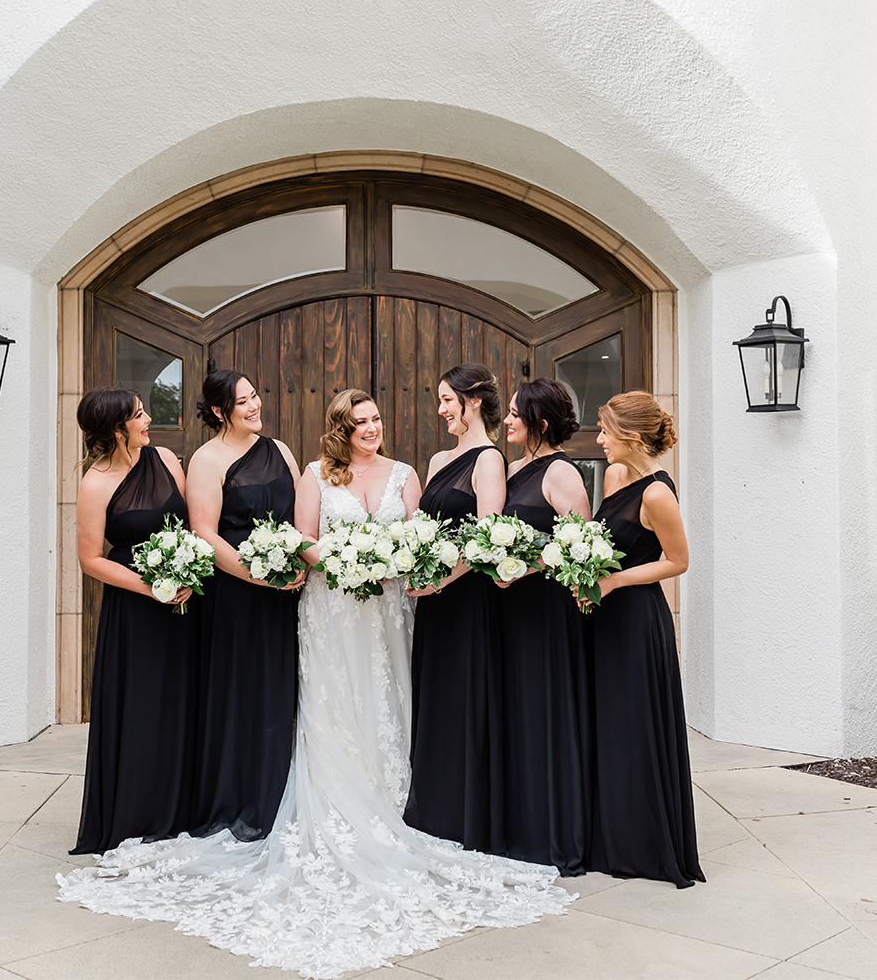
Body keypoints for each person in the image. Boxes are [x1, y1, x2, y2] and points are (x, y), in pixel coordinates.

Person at [57, 389, 572, 979]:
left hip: (390, 611)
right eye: (360, 421)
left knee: (392, 697)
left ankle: (406, 799)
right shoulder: (312, 473)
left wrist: (402, 563)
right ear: (339, 429)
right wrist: (335, 559)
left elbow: (422, 537)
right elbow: (301, 537)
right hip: (330, 608)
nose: (372, 428)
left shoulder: (408, 474)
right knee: (329, 706)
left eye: (377, 418)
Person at [69, 387, 196, 856]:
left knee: (181, 704)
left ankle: (181, 808)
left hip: (183, 604)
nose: (148, 420)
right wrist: (149, 587)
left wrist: (188, 571)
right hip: (134, 611)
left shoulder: (166, 459)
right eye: (140, 415)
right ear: (117, 429)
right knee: (141, 706)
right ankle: (137, 811)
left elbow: (190, 528)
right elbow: (90, 559)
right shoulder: (95, 483)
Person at [585, 390, 704, 888]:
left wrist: (613, 580)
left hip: (636, 621)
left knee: (634, 726)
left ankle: (642, 843)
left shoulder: (658, 494)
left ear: (630, 437)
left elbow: (678, 561)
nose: (598, 440)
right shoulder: (614, 476)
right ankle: (605, 832)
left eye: (606, 432)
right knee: (604, 725)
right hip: (601, 619)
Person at [182, 369, 303, 842]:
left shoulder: (281, 451)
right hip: (235, 593)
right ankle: (238, 797)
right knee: (240, 691)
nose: (255, 406)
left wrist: (297, 565)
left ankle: (279, 794)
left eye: (256, 395)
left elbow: (299, 516)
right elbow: (204, 533)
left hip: (285, 592)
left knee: (280, 689)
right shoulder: (207, 459)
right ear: (219, 411)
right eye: (243, 401)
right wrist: (261, 575)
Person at [403, 363, 509, 853]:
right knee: (435, 695)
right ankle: (433, 807)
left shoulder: (490, 460)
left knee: (464, 697)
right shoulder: (437, 460)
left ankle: (464, 812)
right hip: (433, 601)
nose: (442, 410)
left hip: (466, 599)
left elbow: (487, 538)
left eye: (448, 400)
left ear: (473, 401)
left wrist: (439, 581)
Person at [495, 378, 593, 875]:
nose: (507, 420)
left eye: (515, 414)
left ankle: (552, 832)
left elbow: (579, 549)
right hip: (508, 612)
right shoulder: (512, 469)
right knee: (514, 712)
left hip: (545, 612)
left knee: (543, 711)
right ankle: (517, 822)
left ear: (542, 423)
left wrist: (524, 565)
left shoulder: (561, 474)